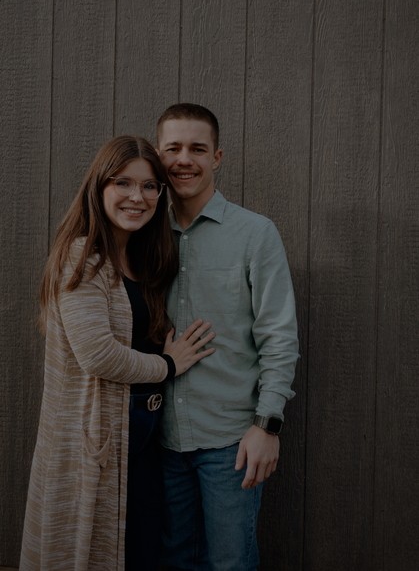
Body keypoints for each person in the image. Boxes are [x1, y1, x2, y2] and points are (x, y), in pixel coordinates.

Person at [19, 135, 215, 571]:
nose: (137, 197)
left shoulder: (140, 260)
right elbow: (99, 355)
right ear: (99, 187)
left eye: (149, 186)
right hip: (98, 442)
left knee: (138, 553)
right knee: (93, 552)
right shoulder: (83, 256)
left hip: (143, 443)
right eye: (122, 183)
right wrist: (169, 364)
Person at [156, 104, 299, 570]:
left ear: (216, 157)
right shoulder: (144, 233)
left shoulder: (255, 233)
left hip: (230, 444)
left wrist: (267, 426)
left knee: (230, 564)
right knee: (173, 562)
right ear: (158, 156)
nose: (184, 159)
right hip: (161, 440)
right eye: (173, 148)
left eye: (197, 149)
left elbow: (279, 336)